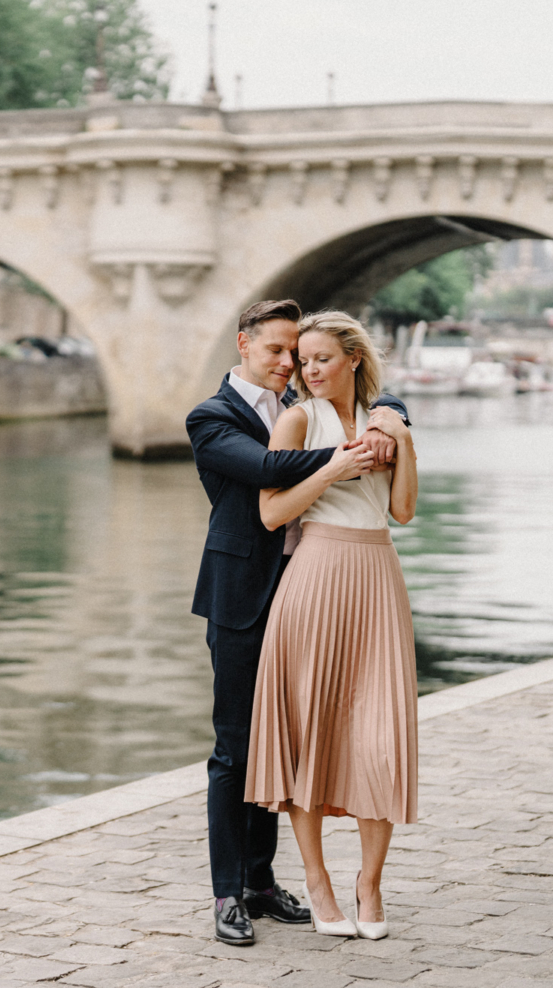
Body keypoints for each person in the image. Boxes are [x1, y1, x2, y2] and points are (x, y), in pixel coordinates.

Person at [186, 299, 410, 946]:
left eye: (300, 354)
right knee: (235, 749)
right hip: (242, 600)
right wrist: (353, 450)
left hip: (314, 590)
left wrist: (391, 414)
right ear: (244, 345)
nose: (290, 364)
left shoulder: (317, 406)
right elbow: (263, 472)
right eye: (277, 351)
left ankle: (262, 881)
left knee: (287, 741)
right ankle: (228, 892)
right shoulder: (211, 416)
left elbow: (370, 389)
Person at [246, 308, 419, 940]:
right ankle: (317, 883)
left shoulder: (384, 420)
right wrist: (332, 469)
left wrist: (399, 434)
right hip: (315, 575)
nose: (307, 369)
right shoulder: (296, 419)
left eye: (321, 358)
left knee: (379, 739)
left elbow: (402, 510)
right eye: (303, 359)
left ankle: (369, 885)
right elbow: (271, 515)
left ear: (353, 360)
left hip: (377, 576)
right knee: (312, 734)